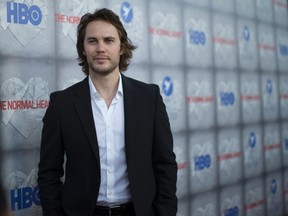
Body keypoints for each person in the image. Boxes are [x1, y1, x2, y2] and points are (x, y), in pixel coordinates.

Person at [37, 8, 177, 216]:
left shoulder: (150, 98)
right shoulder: (62, 104)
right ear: (83, 49)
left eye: (109, 40)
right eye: (92, 41)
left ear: (122, 47)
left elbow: (165, 163)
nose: (100, 48)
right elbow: (49, 172)